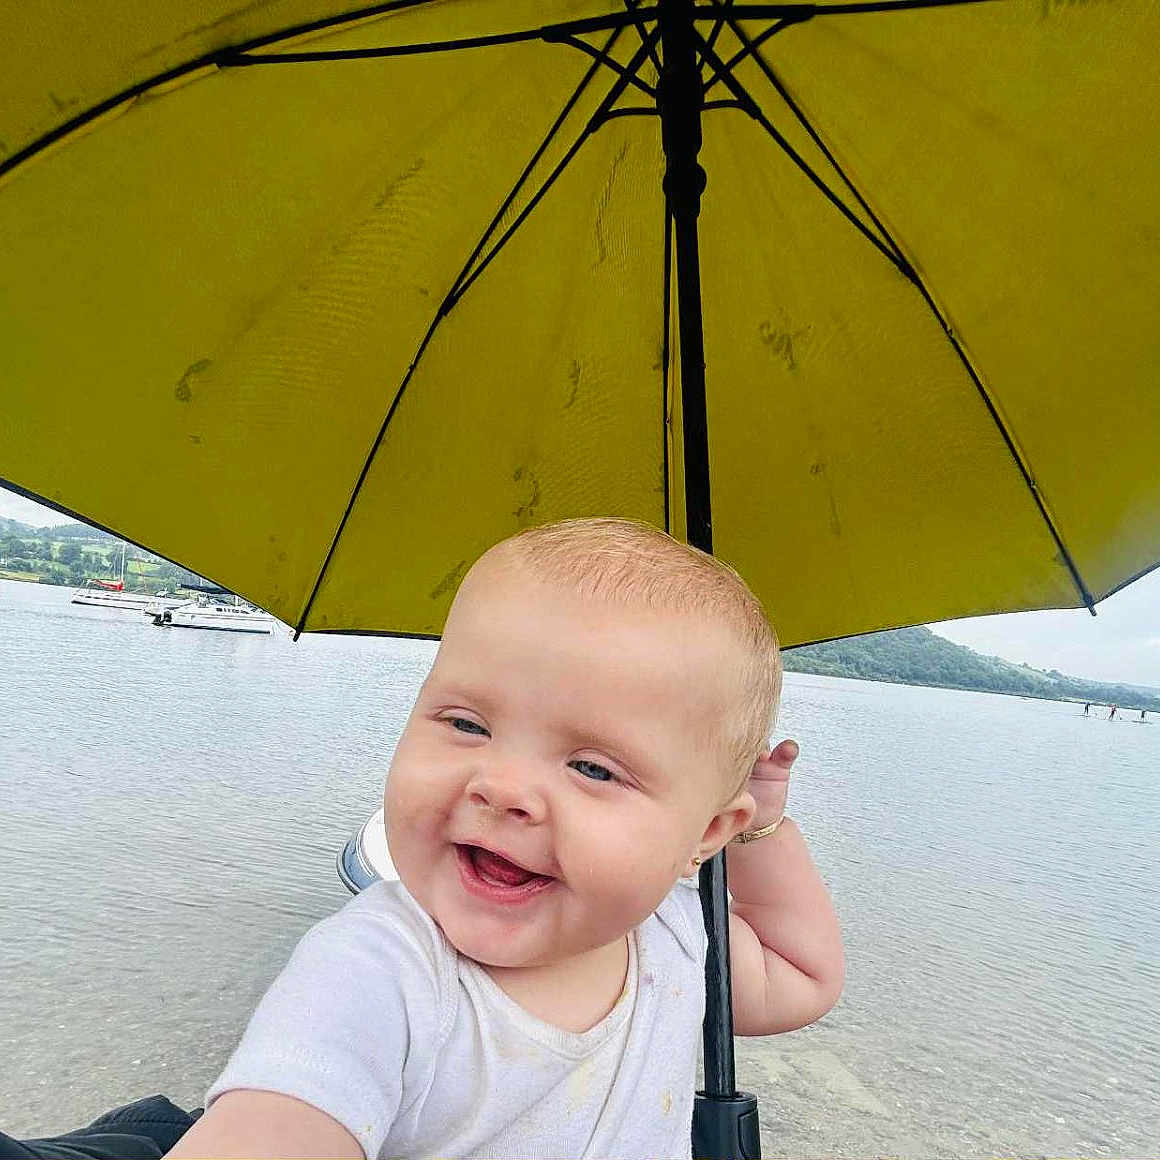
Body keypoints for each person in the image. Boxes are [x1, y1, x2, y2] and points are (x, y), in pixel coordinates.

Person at [167, 518, 844, 1160]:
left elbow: (801, 976)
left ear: (706, 833)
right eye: (467, 725)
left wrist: (762, 833)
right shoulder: (381, 971)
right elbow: (276, 1124)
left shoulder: (673, 936)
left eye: (592, 768)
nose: (504, 788)